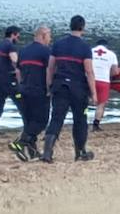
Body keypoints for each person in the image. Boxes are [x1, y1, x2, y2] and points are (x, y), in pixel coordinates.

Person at [41, 15, 98, 163]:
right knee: (80, 120)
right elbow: (89, 72)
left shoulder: (58, 44)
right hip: (78, 88)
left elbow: (51, 67)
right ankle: (80, 152)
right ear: (83, 28)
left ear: (70, 26)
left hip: (60, 86)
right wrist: (94, 93)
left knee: (56, 118)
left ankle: (47, 152)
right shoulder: (85, 47)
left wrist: (49, 86)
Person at [8, 26, 52, 161]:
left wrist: (21, 85)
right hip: (39, 90)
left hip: (24, 89)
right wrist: (49, 88)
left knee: (30, 121)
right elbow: (49, 71)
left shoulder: (23, 51)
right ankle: (20, 143)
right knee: (41, 121)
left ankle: (33, 152)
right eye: (50, 36)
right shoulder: (46, 52)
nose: (50, 39)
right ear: (43, 35)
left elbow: (18, 72)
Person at [0, 25, 23, 131]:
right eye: (17, 35)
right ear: (13, 34)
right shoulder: (11, 46)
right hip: (10, 80)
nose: (18, 37)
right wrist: (20, 71)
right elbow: (15, 61)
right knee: (20, 100)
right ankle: (27, 122)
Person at [90, 39, 118, 132]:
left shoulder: (90, 51)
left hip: (89, 79)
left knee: (83, 102)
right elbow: (115, 71)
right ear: (106, 46)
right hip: (103, 80)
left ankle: (81, 120)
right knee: (101, 104)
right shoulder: (111, 54)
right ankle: (96, 125)